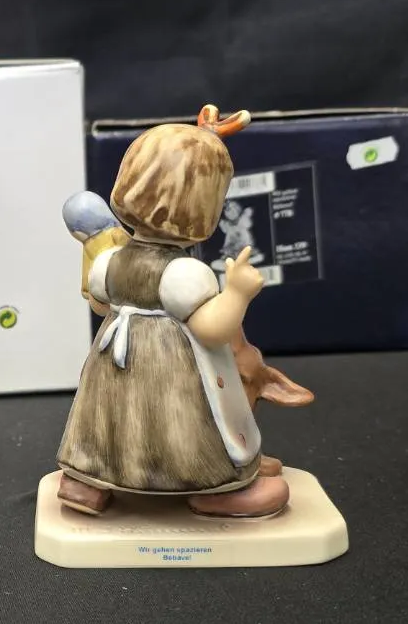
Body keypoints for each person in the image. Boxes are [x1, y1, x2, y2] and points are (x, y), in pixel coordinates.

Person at [55, 105, 289, 519]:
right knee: (175, 420)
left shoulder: (110, 258)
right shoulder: (186, 273)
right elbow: (212, 330)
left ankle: (86, 481)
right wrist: (237, 293)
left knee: (108, 417)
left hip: (113, 357)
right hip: (170, 369)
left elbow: (99, 303)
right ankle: (212, 487)